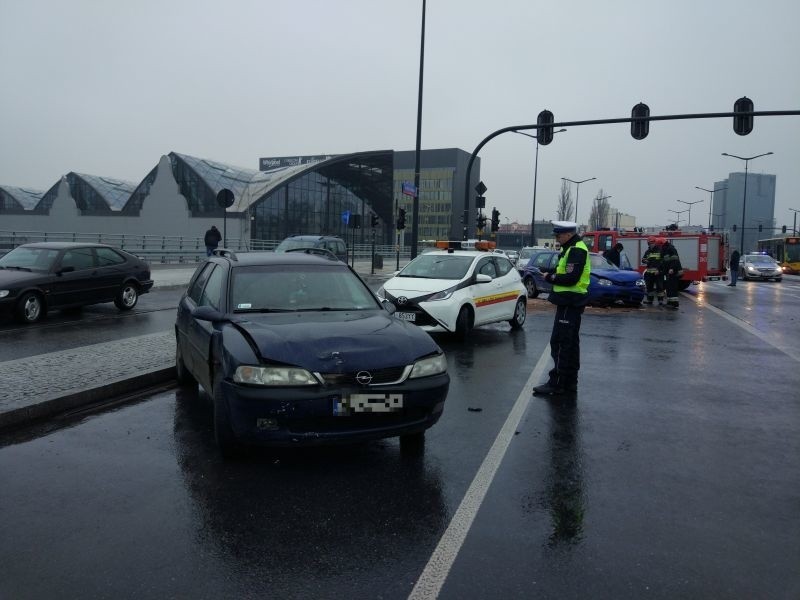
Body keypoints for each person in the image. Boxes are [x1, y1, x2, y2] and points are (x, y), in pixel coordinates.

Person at [533, 221, 591, 397]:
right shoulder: (571, 248)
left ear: (568, 234)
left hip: (569, 301)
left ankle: (557, 383)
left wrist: (550, 278)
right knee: (571, 344)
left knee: (560, 343)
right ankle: (569, 382)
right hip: (570, 301)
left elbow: (571, 278)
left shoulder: (576, 249)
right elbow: (565, 271)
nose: (557, 239)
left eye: (558, 236)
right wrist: (550, 272)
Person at [660, 237, 683, 309]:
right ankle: (670, 302)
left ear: (662, 244)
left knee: (672, 287)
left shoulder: (671, 249)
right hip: (668, 272)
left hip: (674, 272)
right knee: (668, 287)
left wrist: (672, 268)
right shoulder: (665, 249)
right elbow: (664, 262)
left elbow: (675, 260)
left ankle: (674, 303)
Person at [641, 236, 665, 305]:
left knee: (659, 287)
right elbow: (643, 259)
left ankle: (660, 301)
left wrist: (659, 270)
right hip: (649, 273)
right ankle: (650, 300)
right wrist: (645, 260)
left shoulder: (660, 250)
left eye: (652, 243)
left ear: (655, 243)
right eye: (649, 243)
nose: (651, 244)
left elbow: (663, 262)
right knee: (649, 287)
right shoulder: (647, 251)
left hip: (658, 272)